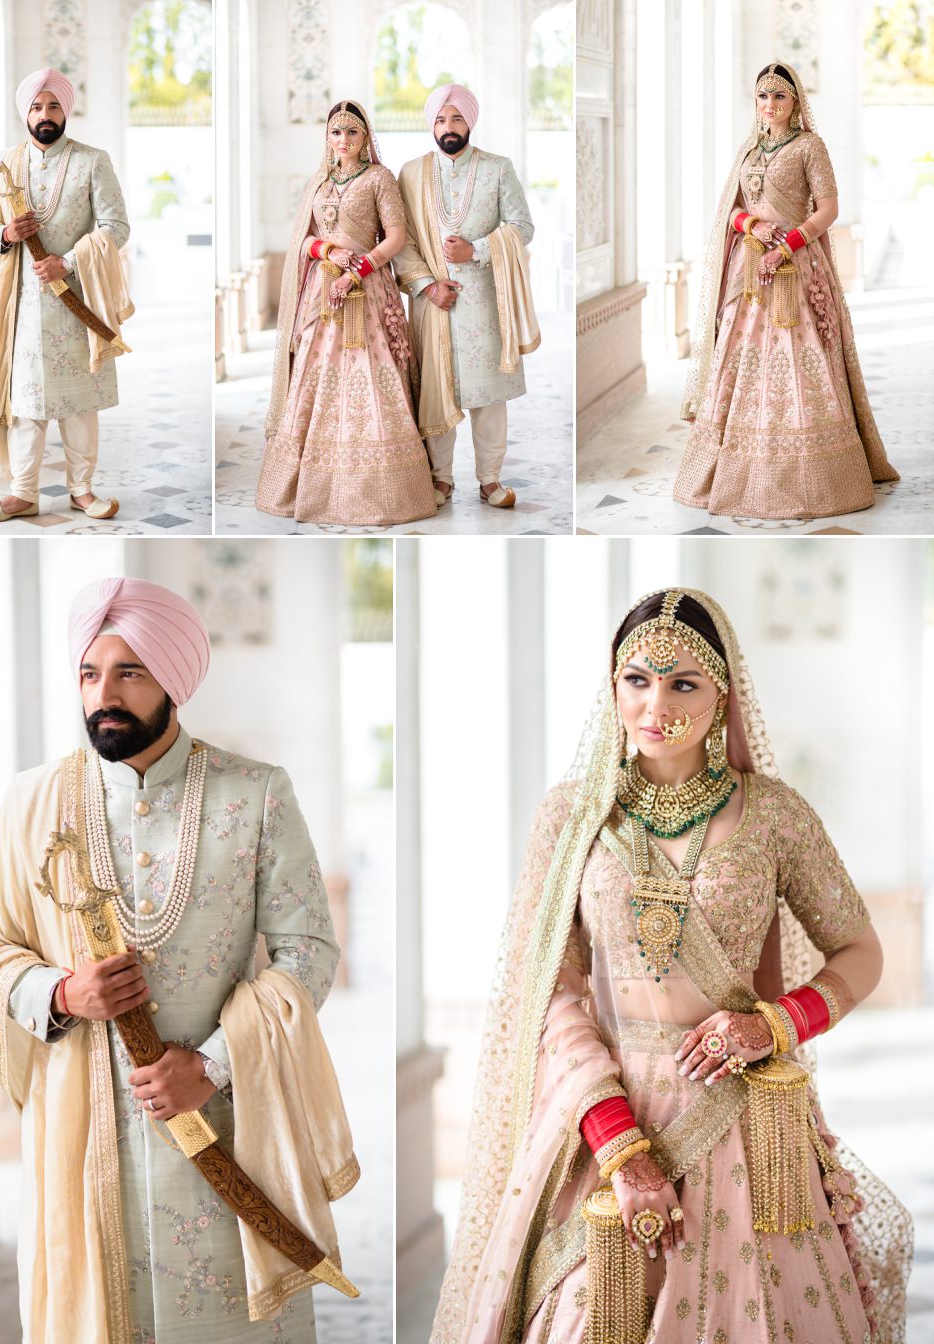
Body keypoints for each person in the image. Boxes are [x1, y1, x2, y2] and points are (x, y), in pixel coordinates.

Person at [431, 589, 911, 1344]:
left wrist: (774, 1025)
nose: (656, 704)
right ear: (614, 687)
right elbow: (550, 992)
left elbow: (862, 953)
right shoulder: (573, 816)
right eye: (637, 680)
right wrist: (619, 1145)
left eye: (684, 682)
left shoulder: (775, 815)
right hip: (608, 1119)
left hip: (746, 1121)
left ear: (722, 696)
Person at [0, 578, 357, 1343]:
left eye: (129, 672)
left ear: (174, 678)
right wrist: (61, 991)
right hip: (84, 1149)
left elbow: (309, 952)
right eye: (89, 674)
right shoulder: (30, 803)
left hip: (224, 1134)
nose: (104, 693)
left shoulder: (256, 793)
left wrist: (211, 1064)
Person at [676, 61, 898, 520]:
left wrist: (788, 246)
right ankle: (734, 467)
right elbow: (730, 211)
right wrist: (752, 223)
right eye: (762, 95)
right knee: (740, 357)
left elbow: (829, 208)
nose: (770, 104)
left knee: (803, 356)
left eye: (779, 95)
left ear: (795, 101)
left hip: (797, 267)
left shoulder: (810, 147)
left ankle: (814, 474)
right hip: (749, 268)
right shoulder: (748, 150)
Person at [0, 68, 133, 523]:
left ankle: (82, 490)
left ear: (66, 110)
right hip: (20, 304)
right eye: (37, 107)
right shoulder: (5, 166)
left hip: (74, 301)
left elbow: (116, 227)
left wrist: (70, 262)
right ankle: (23, 492)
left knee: (80, 401)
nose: (45, 115)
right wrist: (4, 232)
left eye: (53, 105)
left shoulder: (93, 161)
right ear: (25, 112)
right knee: (25, 401)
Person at [258, 99, 436, 526]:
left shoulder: (379, 178)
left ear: (365, 137)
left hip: (368, 290)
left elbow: (395, 237)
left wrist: (358, 268)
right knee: (316, 373)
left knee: (370, 373)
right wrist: (327, 252)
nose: (344, 139)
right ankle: (310, 484)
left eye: (352, 131)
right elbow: (304, 238)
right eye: (336, 132)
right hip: (322, 293)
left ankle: (379, 487)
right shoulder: (319, 182)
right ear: (328, 137)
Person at [395, 83, 539, 510]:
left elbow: (522, 227)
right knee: (436, 389)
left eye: (457, 118)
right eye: (441, 119)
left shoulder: (497, 168)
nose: (448, 127)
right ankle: (440, 479)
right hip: (433, 303)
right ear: (431, 124)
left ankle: (490, 480)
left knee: (488, 395)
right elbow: (401, 242)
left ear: (470, 121)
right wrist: (427, 286)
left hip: (486, 303)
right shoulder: (412, 173)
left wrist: (474, 249)